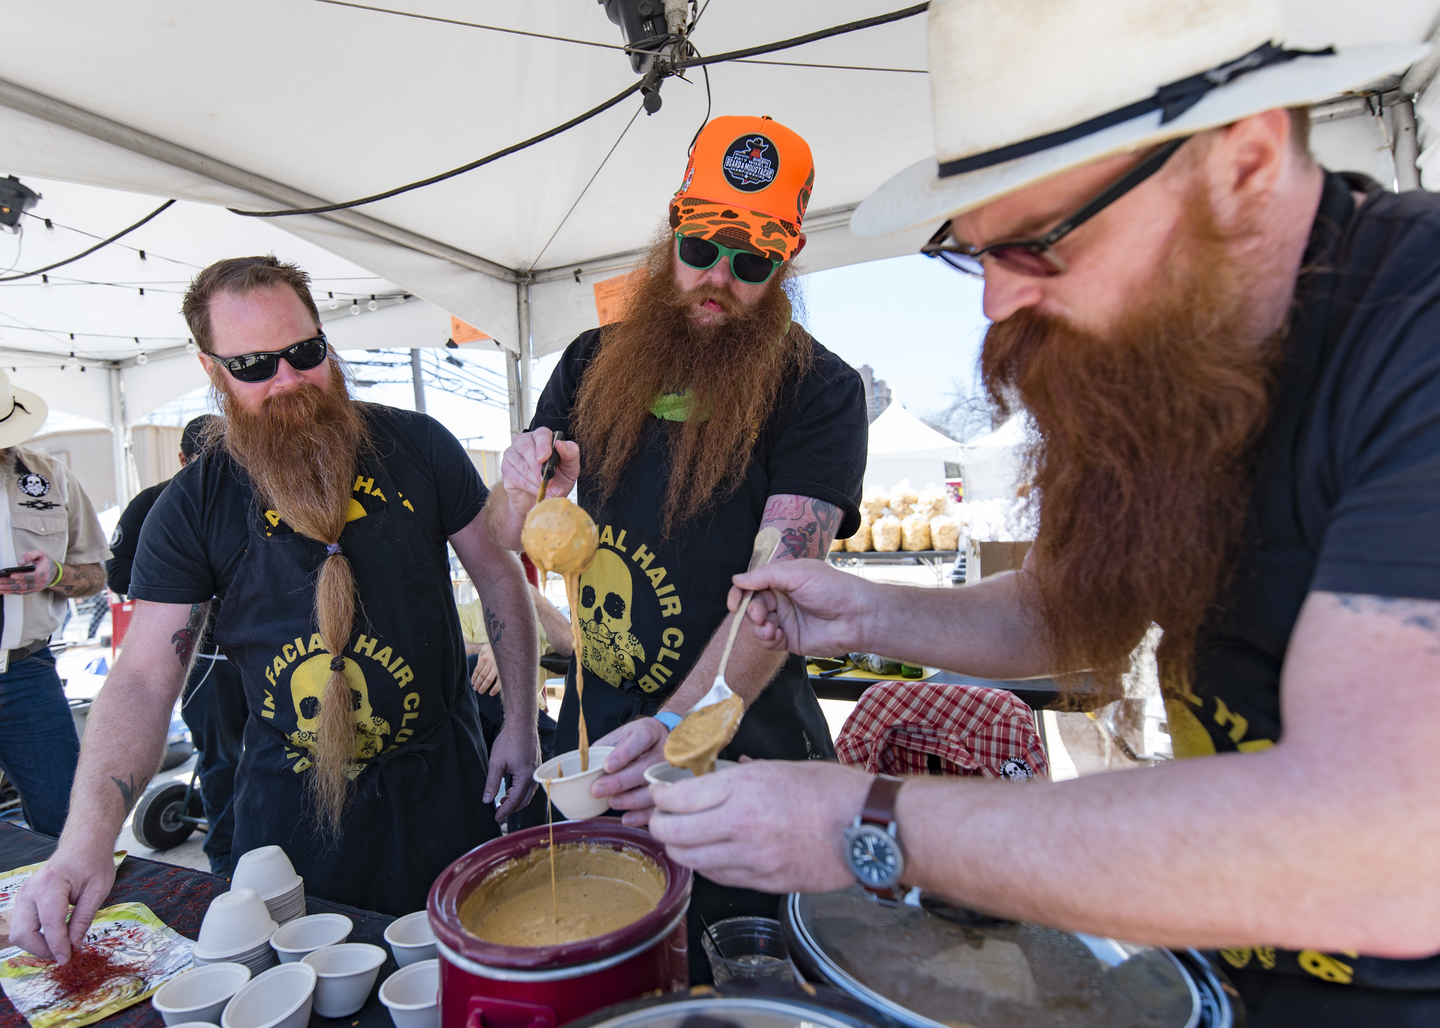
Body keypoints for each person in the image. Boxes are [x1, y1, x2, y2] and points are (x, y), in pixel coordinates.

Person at [649, 2, 1440, 1024]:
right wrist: (862, 613)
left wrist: (868, 815)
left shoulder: (1411, 329)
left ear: (1240, 164)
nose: (993, 307)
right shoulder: (1164, 343)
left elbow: (1386, 841)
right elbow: (1074, 607)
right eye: (975, 253)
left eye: (1034, 244)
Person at [14, 256, 540, 962]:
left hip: (442, 794)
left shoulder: (418, 446)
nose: (288, 380)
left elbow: (500, 578)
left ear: (325, 338)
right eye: (255, 366)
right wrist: (84, 843)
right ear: (213, 371)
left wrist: (520, 722)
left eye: (304, 353)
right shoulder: (193, 506)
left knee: (460, 977)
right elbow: (142, 679)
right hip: (293, 825)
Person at [488, 115, 869, 977]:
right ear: (672, 231)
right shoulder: (592, 361)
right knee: (598, 967)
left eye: (753, 262)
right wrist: (524, 485)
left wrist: (680, 726)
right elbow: (507, 532)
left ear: (787, 261)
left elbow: (778, 594)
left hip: (746, 750)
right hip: (601, 737)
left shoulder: (821, 392)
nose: (717, 280)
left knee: (737, 978)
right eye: (702, 247)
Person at [106, 414, 246, 876]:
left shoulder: (257, 493)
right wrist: (185, 585)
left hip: (265, 656)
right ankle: (225, 863)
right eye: (207, 462)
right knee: (221, 760)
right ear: (183, 460)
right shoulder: (151, 503)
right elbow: (117, 573)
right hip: (203, 660)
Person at [0, 371, 110, 838]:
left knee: (68, 821)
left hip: (27, 671)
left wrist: (56, 575)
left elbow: (97, 574)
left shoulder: (49, 476)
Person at [456, 583, 563, 828]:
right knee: (474, 667)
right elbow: (456, 652)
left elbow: (570, 644)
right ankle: (553, 744)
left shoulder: (532, 612)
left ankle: (526, 835)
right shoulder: (465, 612)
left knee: (513, 740)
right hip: (481, 717)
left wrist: (534, 597)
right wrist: (492, 650)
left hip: (522, 715)